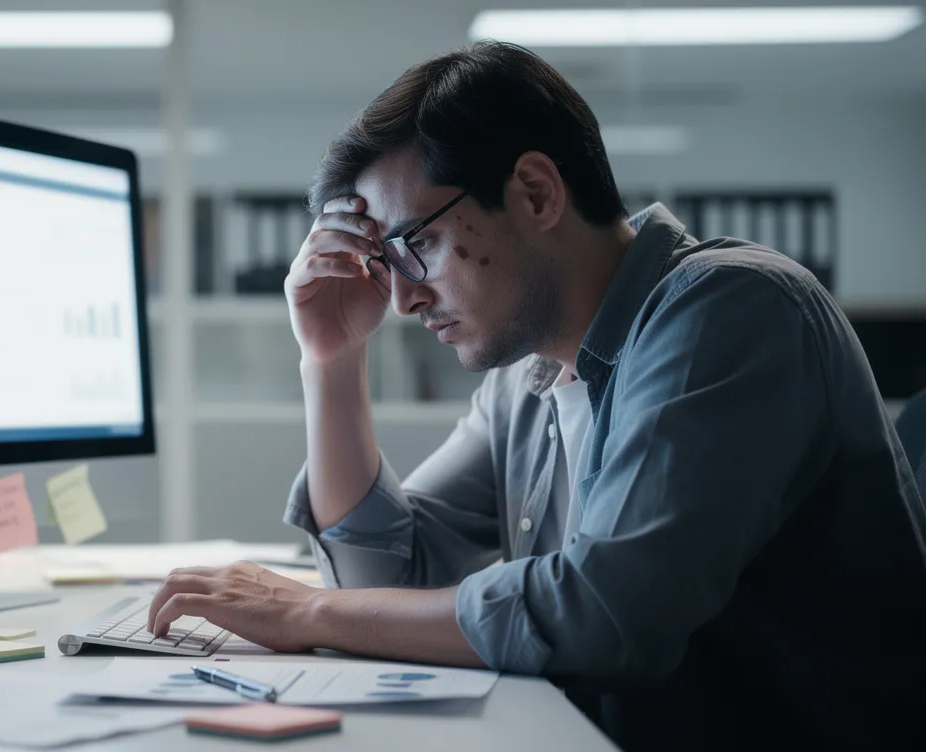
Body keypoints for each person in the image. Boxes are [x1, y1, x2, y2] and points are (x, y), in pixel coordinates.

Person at [145, 42, 926, 750]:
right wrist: (333, 359)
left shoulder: (730, 310)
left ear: (536, 192)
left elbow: (604, 613)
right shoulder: (527, 378)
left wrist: (304, 610)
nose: (404, 300)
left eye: (415, 245)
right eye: (386, 263)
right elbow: (386, 586)